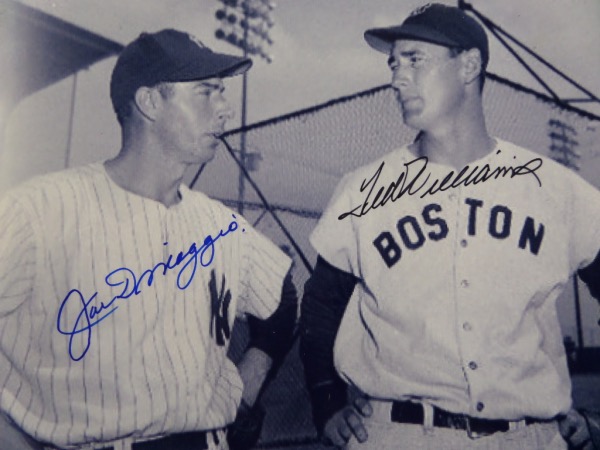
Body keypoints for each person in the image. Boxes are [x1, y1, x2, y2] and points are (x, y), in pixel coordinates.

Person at [300, 3, 600, 449]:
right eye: (393, 63)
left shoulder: (553, 188)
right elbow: (322, 305)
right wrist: (326, 403)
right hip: (398, 434)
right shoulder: (363, 189)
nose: (397, 77)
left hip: (527, 436)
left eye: (414, 60)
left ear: (470, 65)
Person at [0, 28, 297, 450]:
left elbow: (283, 299)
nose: (225, 109)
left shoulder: (221, 225)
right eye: (207, 92)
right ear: (150, 102)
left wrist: (247, 385)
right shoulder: (39, 209)